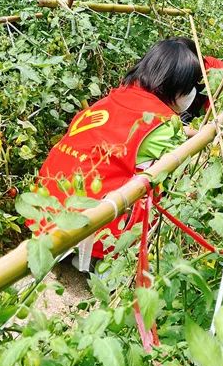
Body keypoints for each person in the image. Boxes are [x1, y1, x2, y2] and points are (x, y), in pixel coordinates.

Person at [34, 39, 203, 269]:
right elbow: (187, 159)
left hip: (44, 209)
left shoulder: (113, 100)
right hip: (88, 222)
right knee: (157, 181)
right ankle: (101, 258)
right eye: (192, 86)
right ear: (179, 85)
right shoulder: (164, 123)